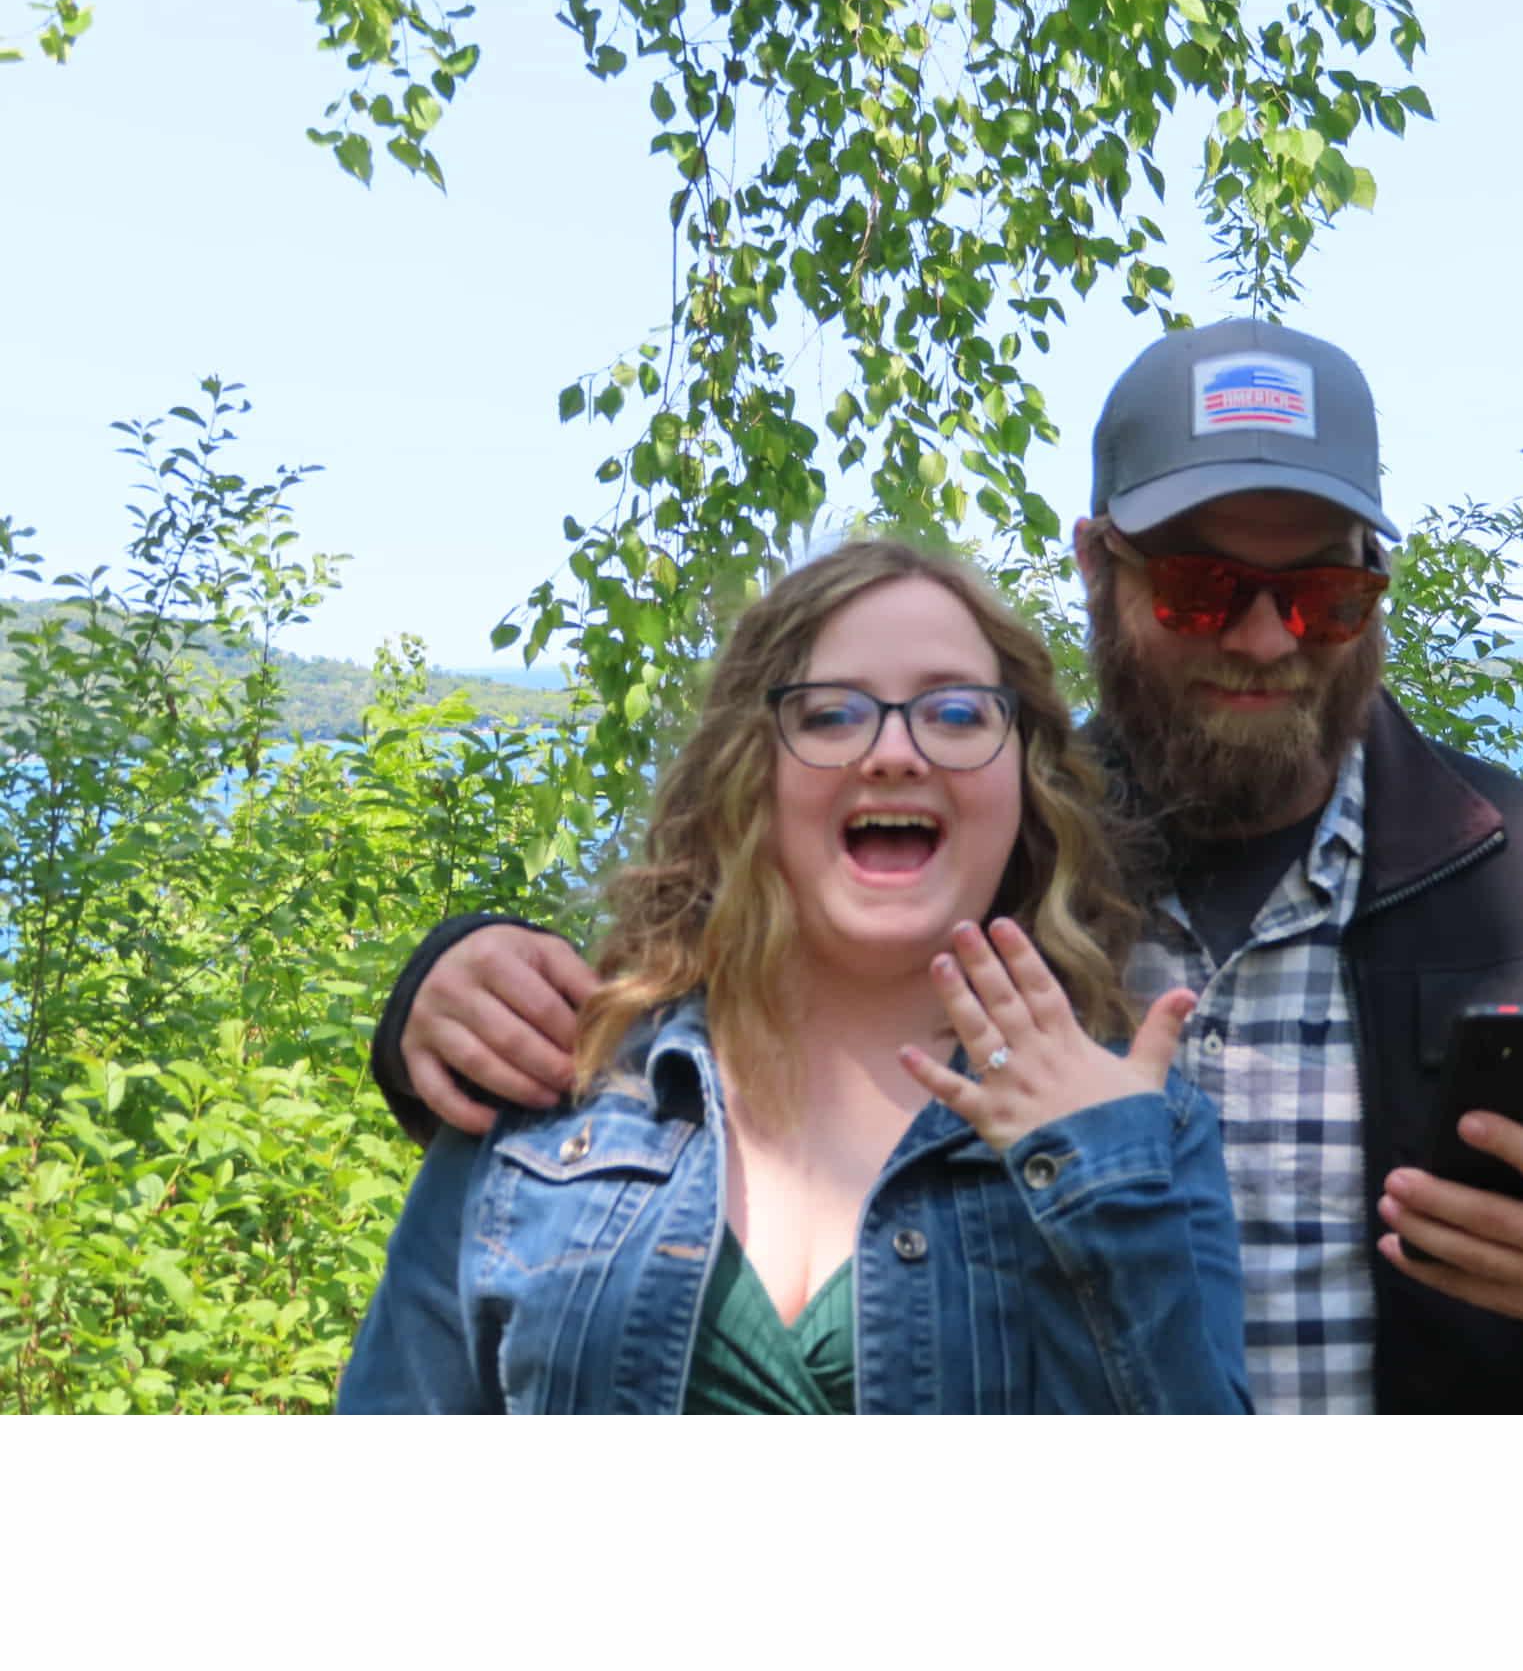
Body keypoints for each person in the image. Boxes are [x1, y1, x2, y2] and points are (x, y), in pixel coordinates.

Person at [371, 318, 1523, 1414]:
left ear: (1375, 591)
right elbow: (721, 970)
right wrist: (457, 981)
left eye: (1321, 591)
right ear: (1099, 570)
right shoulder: (991, 846)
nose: (1264, 638)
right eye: (1204, 587)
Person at [339, 539, 1251, 1414]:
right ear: (749, 772)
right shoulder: (551, 1089)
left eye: (959, 713)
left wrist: (1105, 1197)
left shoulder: (1146, 1130)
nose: (896, 751)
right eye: (831, 713)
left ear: (1028, 782)